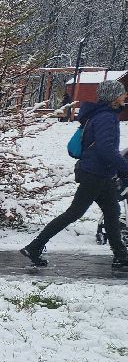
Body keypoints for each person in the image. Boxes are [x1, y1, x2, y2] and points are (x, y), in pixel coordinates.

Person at [22, 78, 128, 271]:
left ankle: (121, 256)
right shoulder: (106, 117)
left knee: (112, 213)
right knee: (74, 213)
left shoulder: (100, 115)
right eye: (122, 92)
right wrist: (124, 167)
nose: (125, 95)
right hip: (95, 173)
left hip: (98, 172)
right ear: (113, 97)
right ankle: (35, 247)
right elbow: (106, 149)